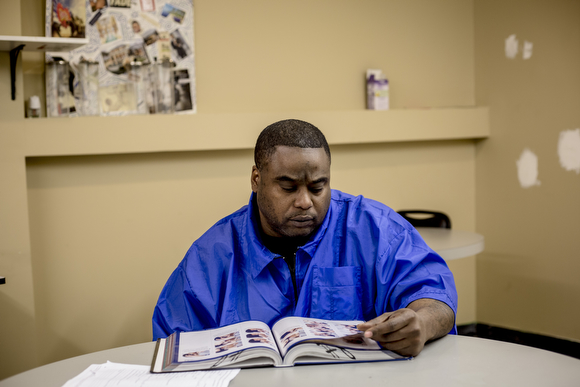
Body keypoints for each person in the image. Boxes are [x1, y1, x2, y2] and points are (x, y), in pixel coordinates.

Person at [152, 119, 457, 357]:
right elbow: (173, 343)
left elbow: (435, 296)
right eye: (288, 187)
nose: (304, 202)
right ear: (256, 179)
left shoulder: (373, 229)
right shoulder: (212, 256)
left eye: (317, 187)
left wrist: (423, 323)